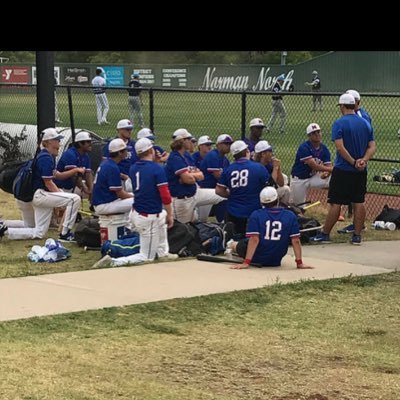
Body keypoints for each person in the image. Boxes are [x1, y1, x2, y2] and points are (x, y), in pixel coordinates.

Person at [97, 138, 176, 267]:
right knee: (146, 257)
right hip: (147, 216)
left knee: (161, 216)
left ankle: (163, 253)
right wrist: (170, 214)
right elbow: (165, 196)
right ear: (151, 150)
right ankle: (114, 262)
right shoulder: (157, 169)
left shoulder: (134, 167)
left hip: (136, 213)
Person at [310, 93, 376, 245]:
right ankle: (357, 236)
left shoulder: (339, 123)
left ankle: (325, 234)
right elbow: (372, 146)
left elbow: (340, 148)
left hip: (344, 169)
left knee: (336, 202)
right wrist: (363, 160)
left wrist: (353, 162)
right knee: (359, 201)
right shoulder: (365, 122)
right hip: (360, 170)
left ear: (342, 106)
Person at [0, 128, 81, 241]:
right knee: (74, 199)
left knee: (38, 231)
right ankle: (65, 234)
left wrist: (74, 171)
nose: (59, 143)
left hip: (35, 195)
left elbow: (57, 175)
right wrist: (61, 200)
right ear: (49, 142)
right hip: (40, 195)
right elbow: (48, 183)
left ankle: (4, 228)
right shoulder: (46, 157)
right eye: (57, 140)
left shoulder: (44, 155)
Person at [228, 187, 313, 269]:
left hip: (257, 256)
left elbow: (254, 239)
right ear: (278, 200)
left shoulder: (256, 214)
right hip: (277, 257)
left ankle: (230, 244)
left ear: (261, 202)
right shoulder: (290, 215)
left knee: (240, 243)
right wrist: (299, 263)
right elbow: (296, 241)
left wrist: (246, 262)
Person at [216, 140, 270, 236]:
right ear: (246, 152)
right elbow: (267, 190)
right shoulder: (259, 168)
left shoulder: (228, 169)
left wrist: (231, 193)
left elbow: (219, 191)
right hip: (254, 211)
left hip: (234, 213)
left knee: (235, 235)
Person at [338, 89, 372, 226]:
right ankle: (356, 223)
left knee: (355, 198)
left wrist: (357, 160)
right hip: (359, 160)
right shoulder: (362, 116)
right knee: (357, 197)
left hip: (354, 161)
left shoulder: (360, 117)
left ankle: (358, 223)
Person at [289, 123, 333, 206]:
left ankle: (335, 207)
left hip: (313, 178)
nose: (317, 134)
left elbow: (328, 166)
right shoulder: (304, 147)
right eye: (314, 133)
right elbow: (314, 166)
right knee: (299, 207)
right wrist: (331, 170)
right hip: (299, 180)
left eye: (318, 132)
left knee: (335, 179)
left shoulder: (324, 148)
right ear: (309, 136)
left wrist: (327, 173)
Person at [92, 138, 134, 215]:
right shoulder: (112, 167)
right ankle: (130, 225)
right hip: (104, 205)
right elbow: (120, 194)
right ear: (119, 153)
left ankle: (128, 223)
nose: (127, 152)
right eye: (125, 150)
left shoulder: (107, 163)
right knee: (138, 201)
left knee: (134, 196)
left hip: (104, 202)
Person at [198, 134, 232, 221]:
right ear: (218, 145)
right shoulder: (213, 155)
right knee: (200, 220)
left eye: (230, 144)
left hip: (213, 191)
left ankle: (223, 223)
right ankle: (223, 223)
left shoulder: (225, 160)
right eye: (226, 143)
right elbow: (218, 176)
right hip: (204, 190)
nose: (229, 146)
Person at [55, 131, 93, 198]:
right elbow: (74, 177)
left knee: (95, 192)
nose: (90, 144)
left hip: (72, 187)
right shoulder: (70, 154)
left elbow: (88, 174)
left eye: (90, 141)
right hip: (61, 188)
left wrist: (91, 190)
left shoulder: (85, 156)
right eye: (88, 142)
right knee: (76, 199)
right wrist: (86, 190)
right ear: (80, 143)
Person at [103, 119, 137, 191]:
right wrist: (123, 176)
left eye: (131, 129)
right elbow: (106, 165)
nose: (130, 131)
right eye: (127, 129)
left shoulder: (133, 144)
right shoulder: (112, 144)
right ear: (119, 130)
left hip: (133, 178)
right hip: (118, 179)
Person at [254, 140, 291, 205]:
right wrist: (275, 168)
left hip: (267, 193)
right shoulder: (256, 167)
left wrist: (278, 168)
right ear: (263, 154)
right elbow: (270, 185)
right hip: (258, 196)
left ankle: (280, 210)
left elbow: (281, 184)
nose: (272, 154)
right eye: (270, 151)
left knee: (286, 189)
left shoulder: (270, 165)